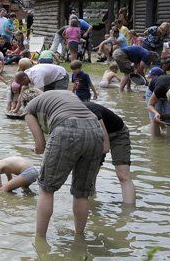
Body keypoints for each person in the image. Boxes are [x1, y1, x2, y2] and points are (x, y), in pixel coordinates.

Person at [24, 90, 108, 238]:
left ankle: (40, 239)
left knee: (46, 189)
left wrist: (36, 149)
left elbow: (40, 145)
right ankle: (79, 236)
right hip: (95, 131)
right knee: (82, 193)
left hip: (66, 129)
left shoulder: (29, 108)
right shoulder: (66, 94)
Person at [83, 101, 136, 204]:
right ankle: (92, 205)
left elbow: (105, 146)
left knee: (123, 176)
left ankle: (128, 213)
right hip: (96, 136)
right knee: (90, 174)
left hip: (118, 134)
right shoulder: (69, 115)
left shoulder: (91, 111)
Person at [146, 74, 170, 139]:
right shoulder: (159, 89)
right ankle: (156, 142)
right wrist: (156, 113)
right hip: (153, 91)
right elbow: (150, 105)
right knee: (155, 119)